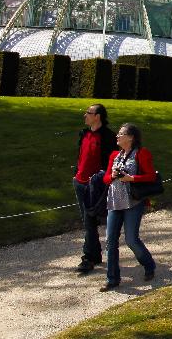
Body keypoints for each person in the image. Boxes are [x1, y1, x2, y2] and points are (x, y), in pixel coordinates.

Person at [100, 123, 157, 291]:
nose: (117, 136)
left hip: (133, 202)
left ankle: (149, 265)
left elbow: (150, 177)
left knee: (131, 239)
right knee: (110, 241)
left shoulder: (141, 153)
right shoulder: (114, 155)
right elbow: (105, 179)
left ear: (131, 137)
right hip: (114, 202)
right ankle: (112, 279)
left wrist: (131, 178)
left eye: (121, 134)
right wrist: (112, 176)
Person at [73, 104, 116, 274]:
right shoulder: (84, 134)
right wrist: (76, 174)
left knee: (89, 220)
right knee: (87, 220)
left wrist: (101, 181)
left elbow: (111, 162)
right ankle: (94, 255)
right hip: (80, 181)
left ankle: (89, 257)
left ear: (97, 116)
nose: (85, 115)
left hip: (95, 185)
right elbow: (81, 155)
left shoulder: (108, 137)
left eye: (88, 113)